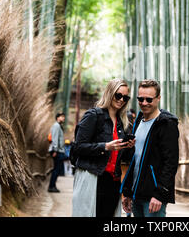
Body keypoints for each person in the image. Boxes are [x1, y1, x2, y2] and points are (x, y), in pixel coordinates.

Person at [72, 79, 135, 217]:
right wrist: (105, 146)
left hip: (113, 181)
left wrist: (128, 147)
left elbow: (120, 156)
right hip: (93, 177)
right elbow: (78, 147)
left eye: (125, 97)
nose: (121, 100)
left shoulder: (121, 122)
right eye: (118, 95)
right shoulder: (93, 115)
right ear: (109, 93)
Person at [121, 79, 179, 217]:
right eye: (141, 99)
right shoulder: (138, 121)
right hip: (136, 193)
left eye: (149, 99)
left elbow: (171, 162)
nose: (144, 103)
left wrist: (160, 194)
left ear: (158, 98)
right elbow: (135, 160)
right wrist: (128, 192)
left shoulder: (166, 124)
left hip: (153, 197)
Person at [48, 112, 66, 193]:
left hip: (59, 151)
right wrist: (55, 150)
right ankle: (51, 186)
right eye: (62, 117)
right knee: (56, 169)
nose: (64, 118)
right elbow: (54, 138)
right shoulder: (56, 126)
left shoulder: (59, 126)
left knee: (57, 169)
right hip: (57, 151)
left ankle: (53, 185)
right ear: (58, 117)